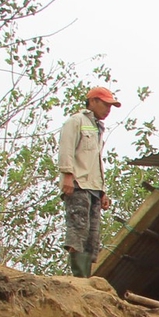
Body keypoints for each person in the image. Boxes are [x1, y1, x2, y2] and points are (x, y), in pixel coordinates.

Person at [58, 85, 120, 277]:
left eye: (110, 106)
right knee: (78, 230)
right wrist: (67, 175)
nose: (108, 110)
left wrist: (102, 191)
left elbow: (95, 161)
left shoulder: (97, 127)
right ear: (92, 101)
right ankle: (79, 277)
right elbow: (66, 149)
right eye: (105, 104)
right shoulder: (76, 121)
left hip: (93, 187)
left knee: (92, 235)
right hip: (78, 184)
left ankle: (85, 277)